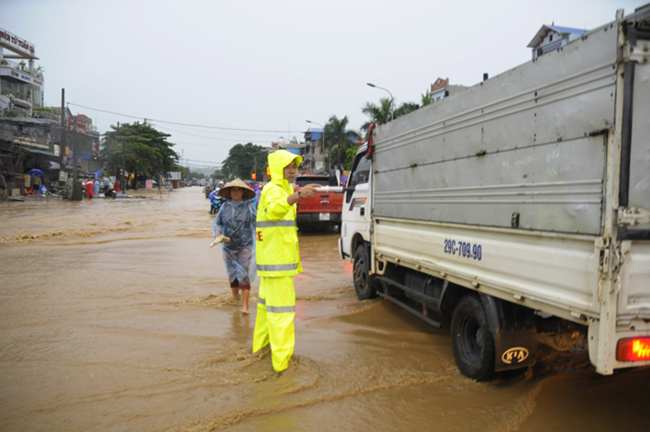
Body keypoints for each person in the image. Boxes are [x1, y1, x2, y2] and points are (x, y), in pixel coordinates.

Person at [252, 149, 320, 373]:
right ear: (278, 169)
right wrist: (298, 196)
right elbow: (273, 212)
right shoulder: (274, 190)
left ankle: (260, 354)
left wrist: (294, 194)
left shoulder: (284, 189)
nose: (293, 171)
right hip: (277, 267)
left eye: (295, 167)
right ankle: (282, 367)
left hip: (273, 266)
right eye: (288, 167)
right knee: (282, 316)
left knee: (266, 313)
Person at [213, 178, 258, 314]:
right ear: (229, 192)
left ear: (243, 192)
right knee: (233, 275)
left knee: (243, 273)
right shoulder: (224, 207)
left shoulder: (250, 207)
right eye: (233, 190)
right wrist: (217, 234)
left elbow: (258, 223)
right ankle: (235, 299)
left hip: (246, 245)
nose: (236, 192)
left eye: (238, 190)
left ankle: (245, 306)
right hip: (228, 245)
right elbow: (218, 223)